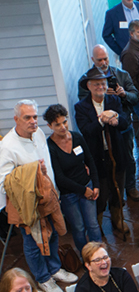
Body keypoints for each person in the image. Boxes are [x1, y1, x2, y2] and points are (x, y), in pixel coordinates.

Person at [0, 100, 77, 292]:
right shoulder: (7, 146)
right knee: (34, 242)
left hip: (48, 198)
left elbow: (48, 166)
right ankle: (43, 278)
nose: (33, 121)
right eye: (28, 117)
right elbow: (4, 183)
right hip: (28, 205)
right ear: (16, 119)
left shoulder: (39, 133)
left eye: (35, 116)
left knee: (52, 235)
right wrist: (33, 173)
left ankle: (54, 269)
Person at [77, 44, 139, 202]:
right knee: (104, 168)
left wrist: (123, 94)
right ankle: (111, 196)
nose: (104, 62)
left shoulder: (121, 74)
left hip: (121, 126)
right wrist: (102, 104)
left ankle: (130, 187)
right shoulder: (87, 79)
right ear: (93, 60)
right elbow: (85, 106)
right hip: (98, 136)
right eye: (99, 60)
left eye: (105, 58)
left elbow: (136, 97)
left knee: (127, 159)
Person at [75, 68, 131, 238]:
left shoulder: (114, 100)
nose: (101, 86)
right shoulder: (81, 107)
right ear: (89, 86)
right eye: (97, 84)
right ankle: (97, 224)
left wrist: (114, 117)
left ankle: (118, 218)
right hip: (97, 157)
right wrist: (101, 120)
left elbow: (125, 123)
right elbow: (86, 131)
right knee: (101, 193)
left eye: (103, 83)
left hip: (116, 153)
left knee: (118, 189)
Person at [45, 104, 101, 253]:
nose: (63, 127)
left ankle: (100, 254)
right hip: (69, 194)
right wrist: (83, 191)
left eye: (64, 122)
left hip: (87, 185)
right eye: (57, 124)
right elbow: (59, 177)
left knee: (93, 225)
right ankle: (86, 257)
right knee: (78, 228)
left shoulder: (76, 137)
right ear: (50, 126)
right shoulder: (49, 147)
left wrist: (95, 185)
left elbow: (90, 160)